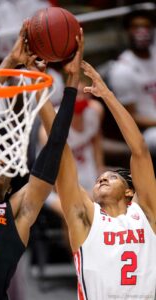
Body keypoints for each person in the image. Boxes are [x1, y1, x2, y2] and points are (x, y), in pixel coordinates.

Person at [0, 23, 83, 300]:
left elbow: (55, 148)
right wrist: (9, 63)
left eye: (3, 160)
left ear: (11, 183)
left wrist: (66, 85)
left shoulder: (19, 212)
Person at [39, 60, 156, 299]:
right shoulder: (85, 218)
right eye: (99, 179)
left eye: (111, 177)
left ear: (129, 192)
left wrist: (107, 95)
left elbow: (140, 151)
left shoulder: (146, 214)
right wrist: (42, 88)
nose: (101, 179)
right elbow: (60, 152)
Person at [108, 8, 156, 168]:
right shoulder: (122, 69)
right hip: (148, 131)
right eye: (136, 27)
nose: (142, 31)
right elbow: (131, 116)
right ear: (128, 31)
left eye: (146, 26)